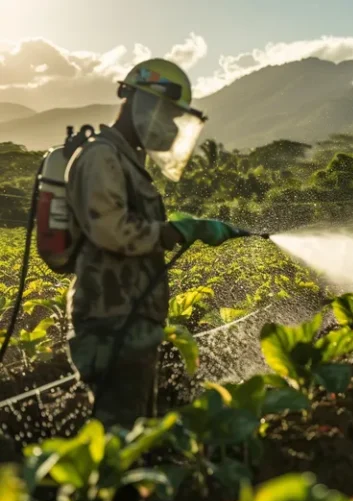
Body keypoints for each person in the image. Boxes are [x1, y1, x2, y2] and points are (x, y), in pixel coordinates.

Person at [65, 58, 242, 431]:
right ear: (139, 104)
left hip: (131, 320)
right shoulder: (101, 155)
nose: (172, 126)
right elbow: (110, 229)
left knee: (138, 429)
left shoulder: (127, 161)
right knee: (120, 434)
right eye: (168, 114)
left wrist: (178, 229)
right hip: (109, 322)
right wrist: (175, 232)